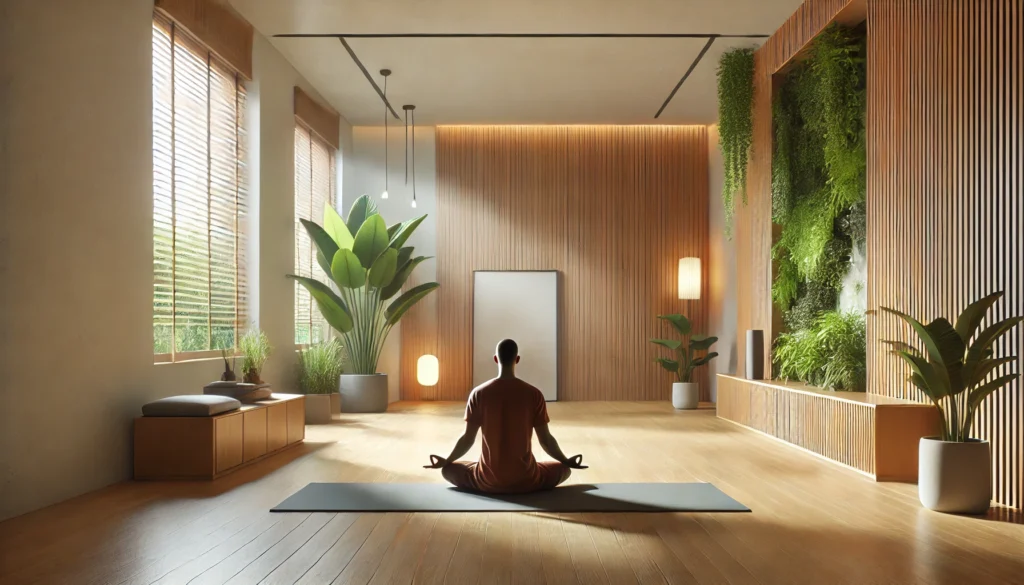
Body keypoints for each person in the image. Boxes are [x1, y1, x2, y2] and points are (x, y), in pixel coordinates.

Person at [424, 338, 587, 493]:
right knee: (564, 469)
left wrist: (446, 460)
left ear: (496, 359)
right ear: (517, 359)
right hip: (527, 481)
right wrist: (566, 460)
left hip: (486, 481)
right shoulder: (534, 394)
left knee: (448, 470)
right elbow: (546, 440)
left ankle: (489, 479)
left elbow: (467, 438)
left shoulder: (479, 393)